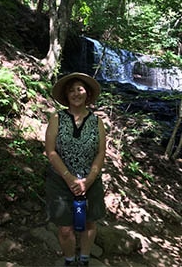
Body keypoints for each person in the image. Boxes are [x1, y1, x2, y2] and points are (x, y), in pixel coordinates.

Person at [45, 72, 106, 266]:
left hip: (91, 181)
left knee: (89, 223)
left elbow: (101, 153)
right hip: (60, 181)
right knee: (65, 228)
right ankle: (70, 261)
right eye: (71, 90)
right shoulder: (57, 118)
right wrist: (69, 178)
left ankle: (85, 259)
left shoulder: (97, 122)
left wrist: (88, 180)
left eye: (80, 89)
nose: (76, 93)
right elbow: (51, 151)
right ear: (66, 95)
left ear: (87, 93)